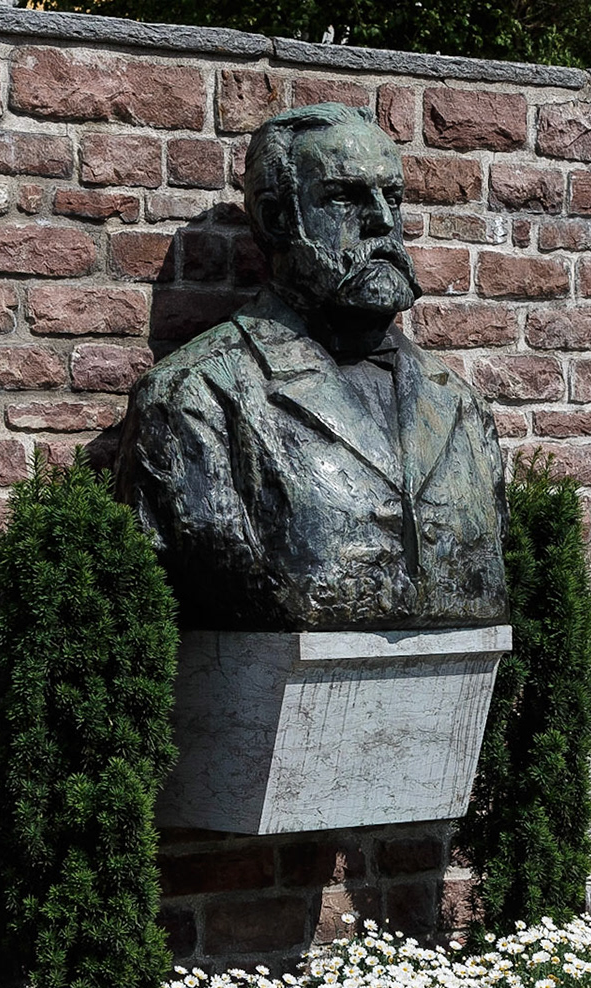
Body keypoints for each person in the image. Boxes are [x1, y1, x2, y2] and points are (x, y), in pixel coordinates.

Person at [121, 103, 508, 632]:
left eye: (392, 197)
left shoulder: (462, 408)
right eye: (346, 197)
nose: (383, 221)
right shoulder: (196, 398)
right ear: (277, 219)